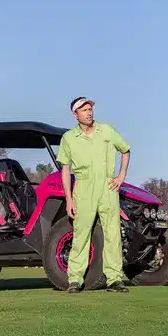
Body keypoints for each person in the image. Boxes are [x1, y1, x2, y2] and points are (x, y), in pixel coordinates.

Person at [58, 96, 131, 293]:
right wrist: (68, 199)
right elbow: (65, 169)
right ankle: (75, 279)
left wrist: (121, 176)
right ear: (75, 115)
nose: (89, 112)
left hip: (108, 187)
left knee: (113, 234)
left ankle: (114, 279)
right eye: (84, 110)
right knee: (81, 233)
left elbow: (125, 150)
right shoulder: (68, 138)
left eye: (90, 109)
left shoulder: (106, 130)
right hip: (83, 187)